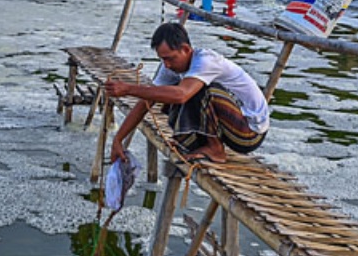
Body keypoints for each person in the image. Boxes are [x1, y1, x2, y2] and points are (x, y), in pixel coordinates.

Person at [105, 22, 269, 164]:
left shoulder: (205, 61)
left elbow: (181, 95)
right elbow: (145, 102)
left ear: (185, 49)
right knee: (163, 93)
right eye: (163, 59)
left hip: (249, 133)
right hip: (229, 127)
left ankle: (216, 149)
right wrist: (118, 139)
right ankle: (198, 143)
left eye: (170, 58)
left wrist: (129, 89)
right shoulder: (169, 67)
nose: (166, 65)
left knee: (198, 90)